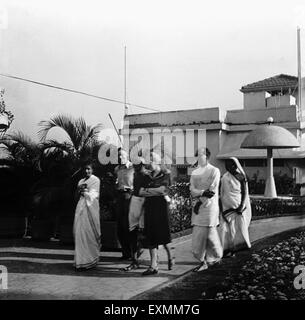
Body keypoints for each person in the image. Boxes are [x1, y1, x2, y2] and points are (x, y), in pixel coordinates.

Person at [139, 152, 173, 276]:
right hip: (150, 207)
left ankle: (170, 256)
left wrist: (149, 191)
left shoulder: (166, 174)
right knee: (151, 237)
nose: (149, 163)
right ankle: (153, 266)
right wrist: (154, 191)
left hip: (161, 208)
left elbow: (164, 190)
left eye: (151, 160)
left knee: (163, 237)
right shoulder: (147, 176)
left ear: (158, 161)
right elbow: (141, 191)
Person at [190, 147, 222, 272]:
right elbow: (192, 190)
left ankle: (214, 258)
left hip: (209, 208)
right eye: (197, 155)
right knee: (198, 237)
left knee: (211, 236)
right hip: (198, 209)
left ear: (207, 157)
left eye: (200, 155)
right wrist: (202, 192)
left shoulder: (215, 171)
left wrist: (199, 201)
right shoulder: (194, 172)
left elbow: (212, 192)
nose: (198, 158)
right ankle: (204, 261)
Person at [219, 157, 252, 256]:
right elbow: (222, 193)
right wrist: (221, 208)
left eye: (229, 165)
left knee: (237, 229)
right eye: (226, 165)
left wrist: (241, 205)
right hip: (226, 208)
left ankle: (235, 249)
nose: (227, 167)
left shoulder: (240, 177)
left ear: (235, 165)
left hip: (238, 207)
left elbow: (244, 192)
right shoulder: (224, 177)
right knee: (225, 229)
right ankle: (226, 250)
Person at [73, 162, 101, 271]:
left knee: (88, 233)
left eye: (89, 169)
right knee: (79, 234)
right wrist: (79, 191)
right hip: (80, 208)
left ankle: (90, 260)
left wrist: (83, 192)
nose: (86, 171)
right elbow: (76, 196)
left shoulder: (95, 180)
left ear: (92, 170)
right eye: (85, 169)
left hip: (90, 209)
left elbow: (94, 196)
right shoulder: (80, 181)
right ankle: (80, 261)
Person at [122, 158, 146, 271]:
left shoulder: (147, 175)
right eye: (135, 165)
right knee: (132, 233)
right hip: (134, 203)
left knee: (143, 234)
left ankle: (151, 260)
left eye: (138, 165)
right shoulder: (135, 175)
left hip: (144, 205)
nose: (136, 167)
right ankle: (134, 261)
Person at [114, 149, 134, 260]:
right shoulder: (117, 169)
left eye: (121, 156)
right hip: (120, 196)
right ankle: (125, 252)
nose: (119, 158)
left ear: (127, 156)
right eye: (118, 156)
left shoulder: (132, 168)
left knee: (128, 225)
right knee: (120, 226)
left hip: (130, 196)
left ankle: (133, 252)